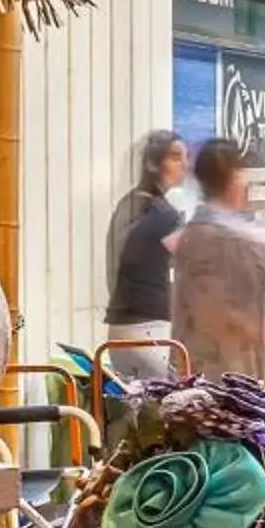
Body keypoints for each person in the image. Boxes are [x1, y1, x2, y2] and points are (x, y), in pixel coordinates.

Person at [172, 138, 265, 380]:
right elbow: (215, 313)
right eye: (242, 173)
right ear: (232, 177)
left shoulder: (206, 232)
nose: (246, 183)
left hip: (226, 373)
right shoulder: (217, 237)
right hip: (225, 377)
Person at [102, 134, 186, 382]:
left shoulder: (126, 205)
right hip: (150, 331)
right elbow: (194, 266)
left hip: (117, 332)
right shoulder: (165, 216)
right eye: (175, 157)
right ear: (153, 163)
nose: (184, 165)